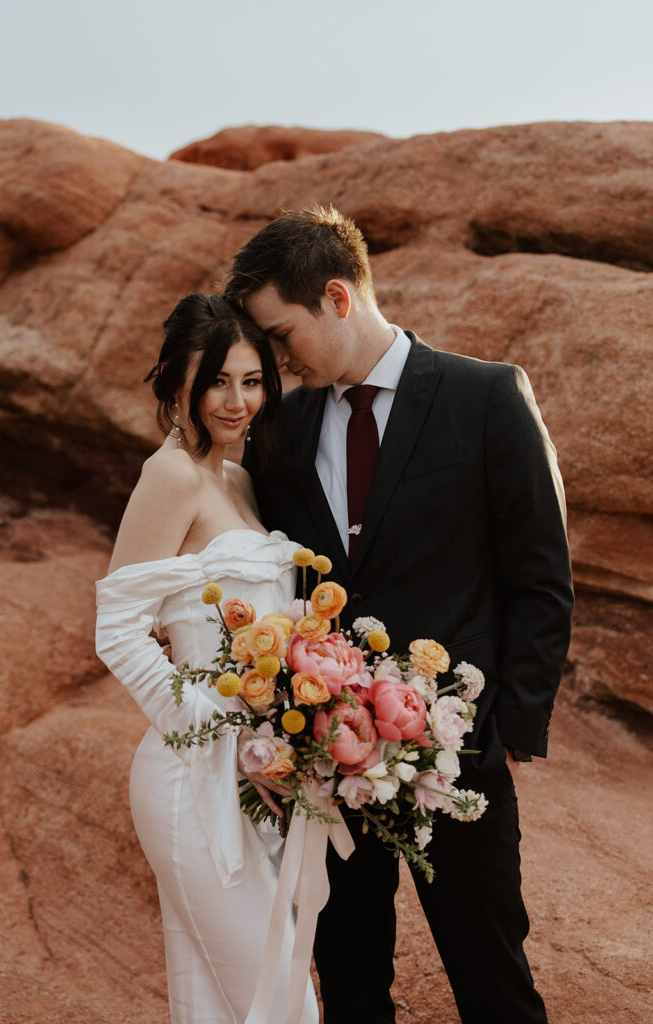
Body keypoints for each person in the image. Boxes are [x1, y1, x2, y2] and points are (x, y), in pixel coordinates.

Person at [226, 205, 574, 1024]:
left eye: (280, 336)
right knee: (349, 984)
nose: (274, 361)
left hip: (459, 758)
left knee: (494, 981)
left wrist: (507, 735)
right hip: (329, 765)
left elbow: (541, 576)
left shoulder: (485, 396)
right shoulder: (283, 428)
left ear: (338, 299)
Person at [94, 293, 318, 1024]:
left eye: (252, 381)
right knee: (282, 1007)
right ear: (176, 383)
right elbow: (118, 628)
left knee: (220, 1008)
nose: (237, 400)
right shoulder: (173, 476)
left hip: (254, 773)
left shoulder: (240, 478)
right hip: (193, 777)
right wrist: (213, 733)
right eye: (217, 380)